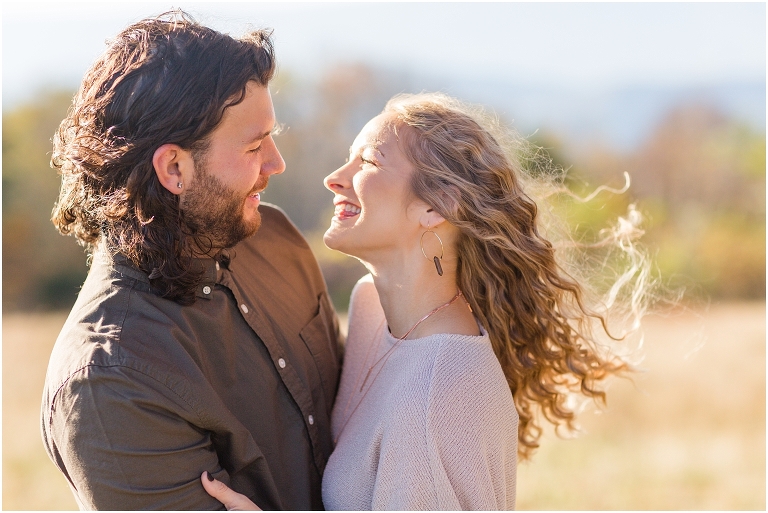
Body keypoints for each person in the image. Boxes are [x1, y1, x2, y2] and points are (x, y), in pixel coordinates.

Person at [202, 93, 649, 510]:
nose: (334, 179)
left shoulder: (439, 392)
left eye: (368, 161)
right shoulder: (372, 309)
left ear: (436, 207)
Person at [40, 11, 342, 510]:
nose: (276, 163)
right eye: (254, 145)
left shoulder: (276, 239)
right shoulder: (111, 382)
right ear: (174, 168)